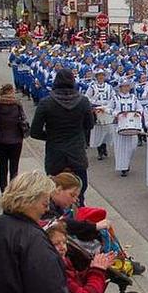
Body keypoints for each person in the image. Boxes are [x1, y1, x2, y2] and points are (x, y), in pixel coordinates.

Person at [30, 69, 94, 204]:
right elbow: (89, 125)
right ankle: (79, 218)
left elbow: (34, 131)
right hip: (76, 151)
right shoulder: (83, 101)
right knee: (79, 192)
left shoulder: (46, 102)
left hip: (55, 153)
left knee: (54, 192)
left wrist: (51, 136)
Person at [46, 223, 113, 293]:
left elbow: (77, 280)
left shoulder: (65, 262)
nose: (62, 247)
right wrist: (97, 271)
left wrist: (91, 269)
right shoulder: (57, 271)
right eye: (56, 244)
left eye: (64, 242)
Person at [0, 84, 28, 193]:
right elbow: (23, 120)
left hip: (0, 140)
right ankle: (13, 192)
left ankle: (3, 192)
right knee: (14, 168)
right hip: (15, 139)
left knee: (3, 169)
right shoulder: (16, 105)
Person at [86, 68, 115, 161]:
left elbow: (113, 97)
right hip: (96, 108)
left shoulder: (109, 87)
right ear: (96, 77)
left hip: (106, 109)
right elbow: (87, 97)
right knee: (98, 130)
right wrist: (94, 104)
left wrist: (108, 106)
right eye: (99, 75)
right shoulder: (92, 86)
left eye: (102, 75)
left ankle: (104, 146)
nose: (101, 77)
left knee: (107, 130)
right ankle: (100, 151)